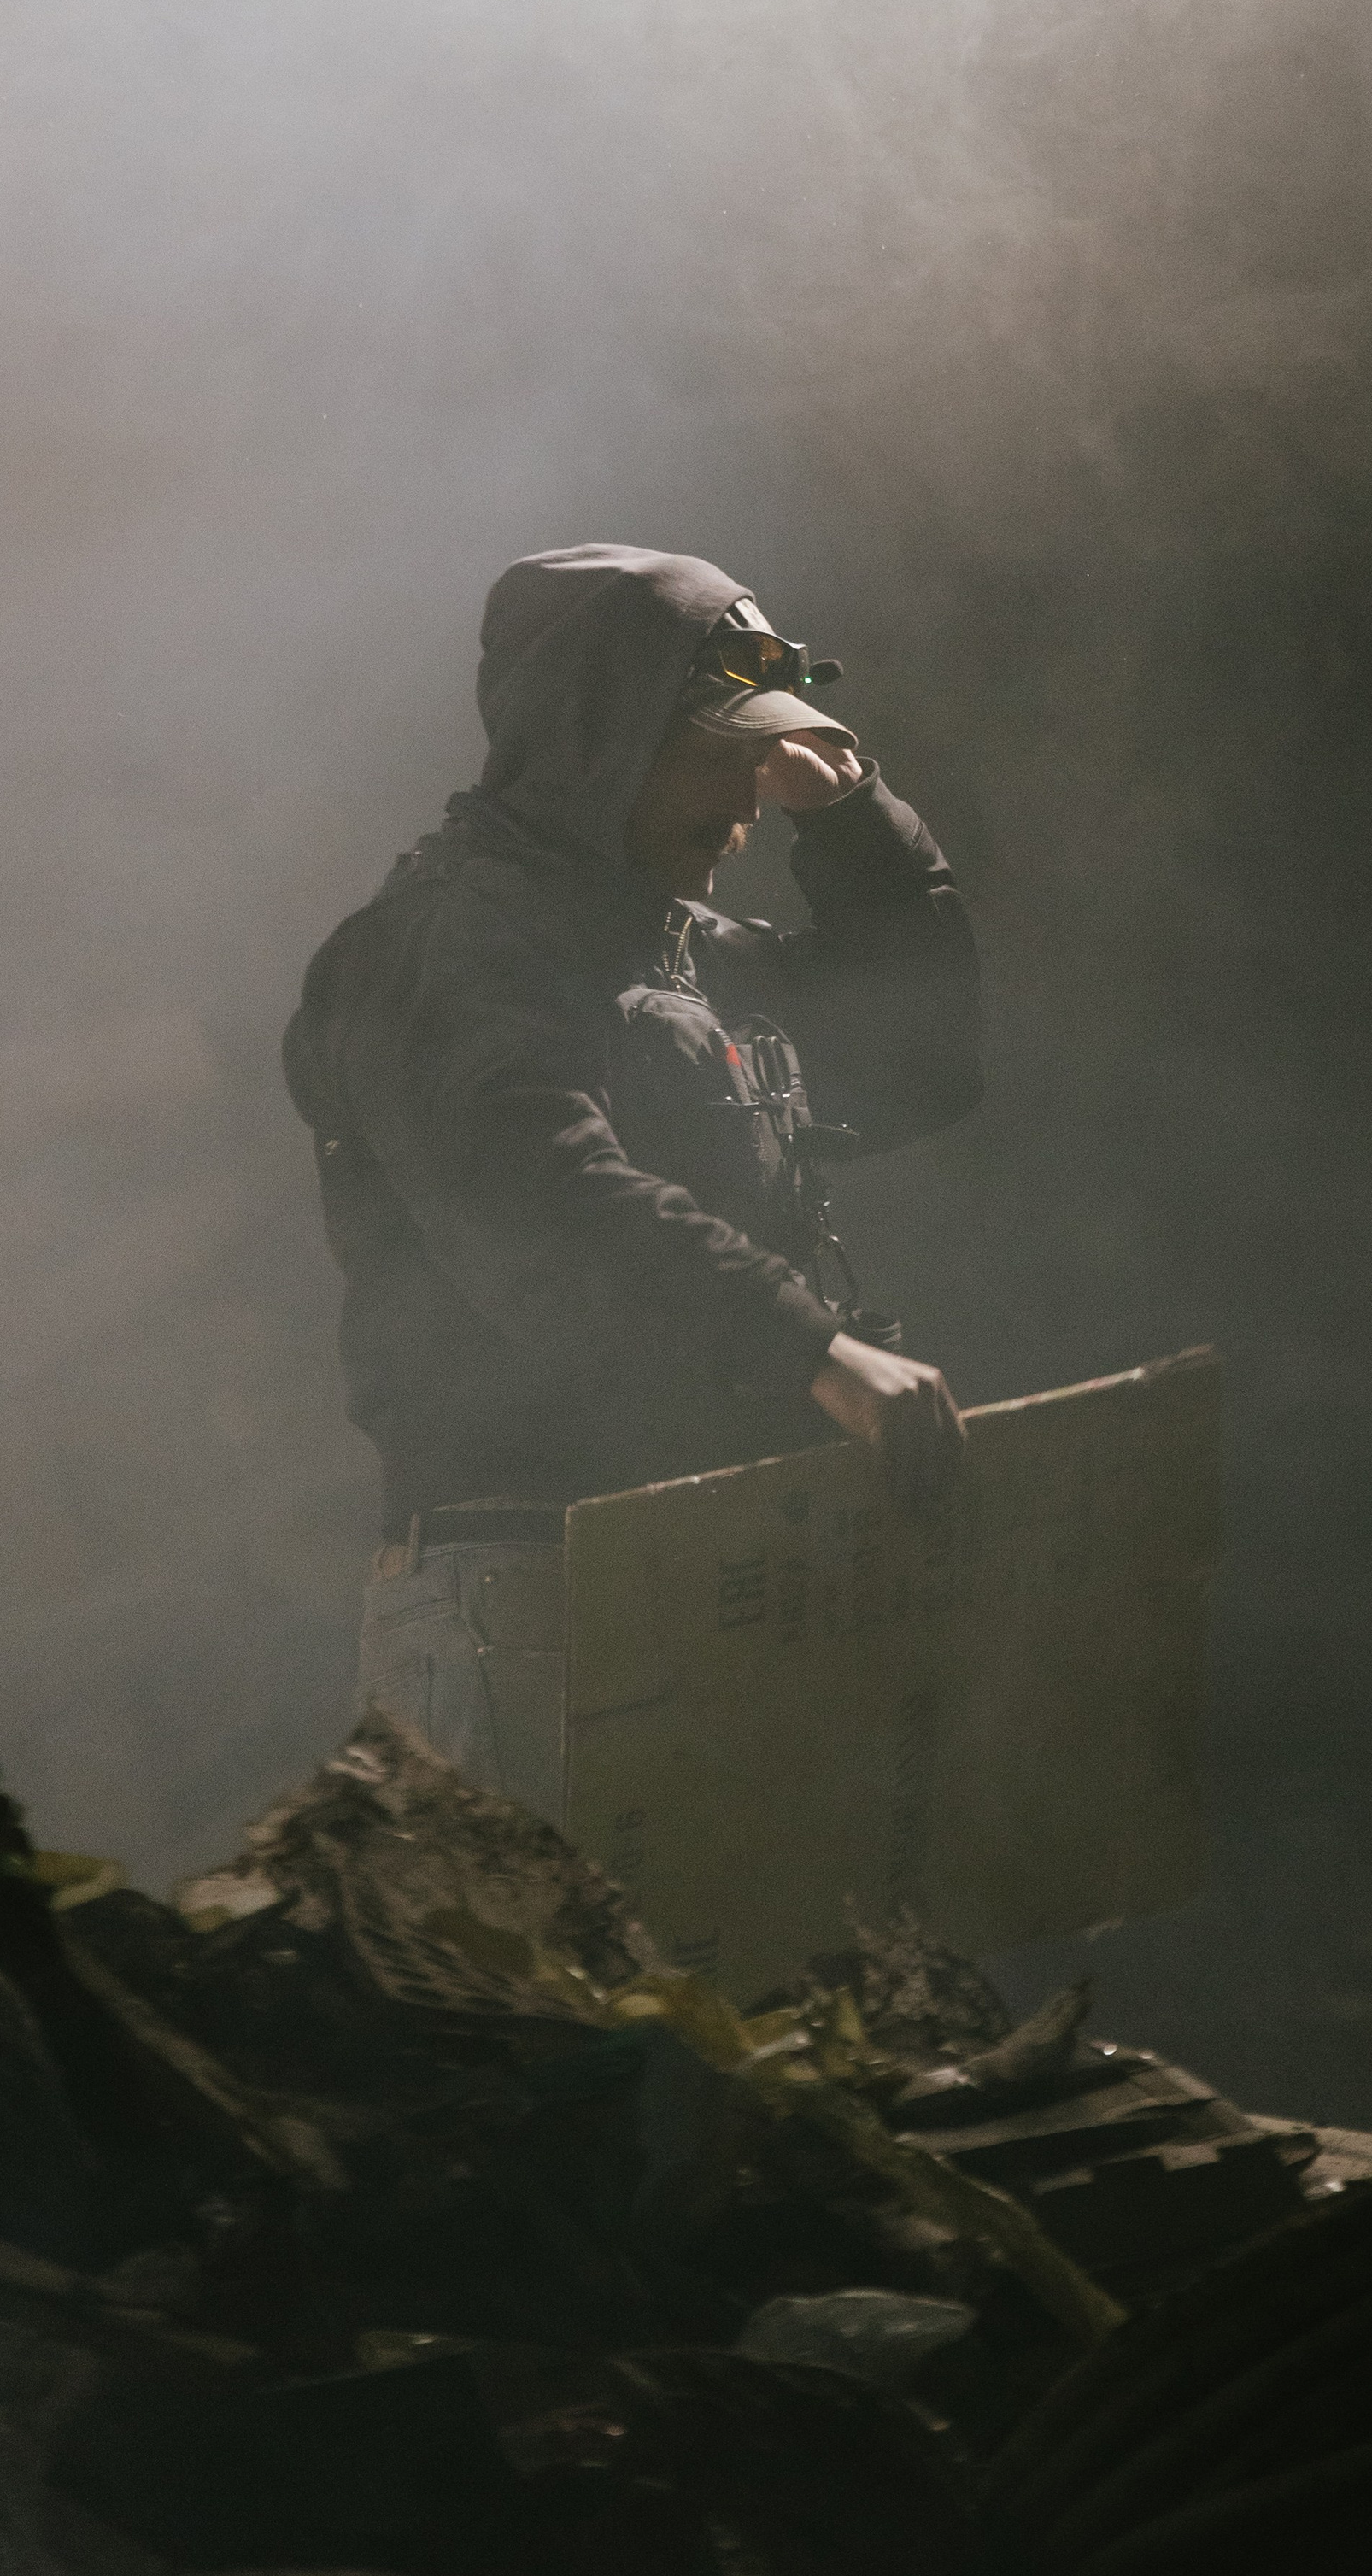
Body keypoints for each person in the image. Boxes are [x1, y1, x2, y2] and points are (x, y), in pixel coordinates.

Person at [283, 542, 982, 1816]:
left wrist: (857, 823)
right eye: (720, 761)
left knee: (752, 2008)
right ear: (598, 748)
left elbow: (918, 1068)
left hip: (710, 1563)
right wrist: (812, 1350)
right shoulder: (443, 949)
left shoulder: (690, 953)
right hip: (529, 1586)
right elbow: (544, 1201)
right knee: (532, 2016)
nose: (748, 806)